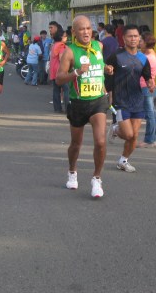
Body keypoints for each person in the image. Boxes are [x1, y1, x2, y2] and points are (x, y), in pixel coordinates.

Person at [56, 15, 113, 198]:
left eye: (88, 28)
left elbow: (99, 64)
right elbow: (59, 79)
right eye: (82, 29)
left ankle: (97, 178)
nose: (86, 32)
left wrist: (106, 68)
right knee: (76, 144)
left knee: (101, 142)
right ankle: (72, 171)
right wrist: (77, 72)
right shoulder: (69, 52)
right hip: (78, 103)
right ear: (74, 32)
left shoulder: (98, 46)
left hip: (98, 101)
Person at [105, 25, 154, 172]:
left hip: (137, 100)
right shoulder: (116, 56)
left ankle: (123, 161)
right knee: (128, 134)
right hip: (120, 101)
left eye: (136, 36)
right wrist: (108, 93)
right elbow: (107, 74)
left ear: (139, 38)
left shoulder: (143, 58)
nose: (133, 39)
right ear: (124, 38)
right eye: (130, 36)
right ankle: (115, 128)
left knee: (134, 136)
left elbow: (147, 77)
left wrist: (150, 84)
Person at [138, 32, 156, 147]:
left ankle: (149, 139)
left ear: (146, 42)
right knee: (151, 113)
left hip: (145, 86)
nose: (139, 43)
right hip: (148, 85)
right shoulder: (150, 54)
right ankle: (151, 138)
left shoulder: (147, 57)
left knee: (149, 113)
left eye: (141, 41)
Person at [50, 29, 69, 113]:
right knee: (66, 89)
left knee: (56, 90)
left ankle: (57, 108)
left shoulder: (54, 45)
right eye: (65, 36)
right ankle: (68, 108)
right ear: (61, 37)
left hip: (53, 70)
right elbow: (62, 58)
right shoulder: (62, 46)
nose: (66, 38)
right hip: (61, 70)